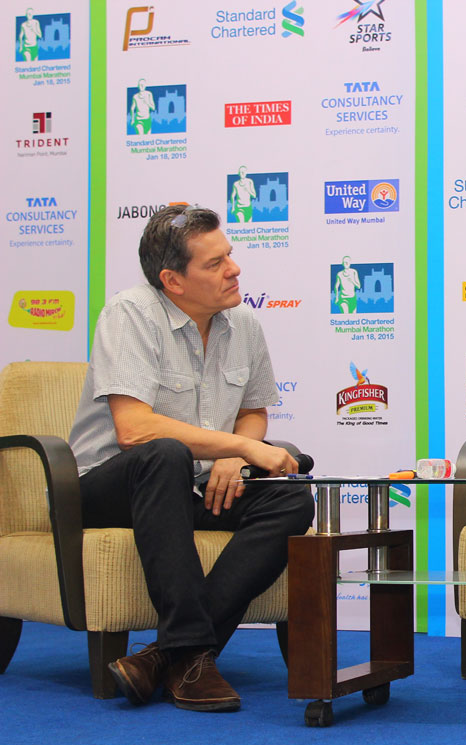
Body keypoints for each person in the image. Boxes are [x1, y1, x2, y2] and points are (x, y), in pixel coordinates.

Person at [68, 205, 314, 712]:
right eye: (215, 263)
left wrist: (237, 455)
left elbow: (252, 412)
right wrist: (239, 447)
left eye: (230, 255)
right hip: (110, 487)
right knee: (164, 455)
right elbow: (134, 430)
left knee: (288, 494)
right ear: (172, 280)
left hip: (195, 487)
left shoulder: (242, 321)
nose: (234, 269)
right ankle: (192, 655)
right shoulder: (131, 313)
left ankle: (170, 655)